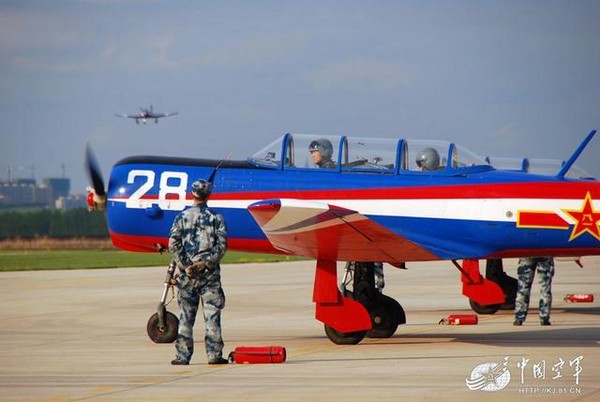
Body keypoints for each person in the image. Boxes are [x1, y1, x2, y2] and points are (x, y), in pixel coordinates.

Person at [169, 178, 229, 365]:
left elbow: (173, 244)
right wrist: (205, 264)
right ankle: (214, 355)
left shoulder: (181, 217)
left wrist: (187, 266)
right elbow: (222, 246)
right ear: (209, 195)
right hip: (209, 275)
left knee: (185, 316)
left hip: (187, 276)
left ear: (192, 194)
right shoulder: (217, 218)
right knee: (212, 315)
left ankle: (183, 356)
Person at [513, 257, 555, 326]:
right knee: (545, 288)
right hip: (545, 253)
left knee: (523, 288)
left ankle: (519, 317)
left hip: (527, 254)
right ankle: (544, 317)